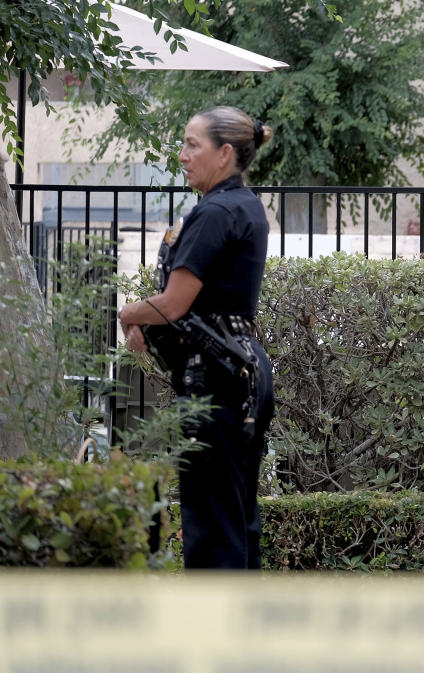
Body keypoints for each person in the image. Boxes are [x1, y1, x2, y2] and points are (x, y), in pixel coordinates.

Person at [118, 106, 275, 569]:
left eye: (192, 145)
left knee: (211, 524)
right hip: (241, 372)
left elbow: (174, 303)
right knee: (236, 518)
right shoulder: (242, 205)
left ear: (225, 153)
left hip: (216, 380)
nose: (182, 155)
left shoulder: (216, 212)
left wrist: (128, 313)